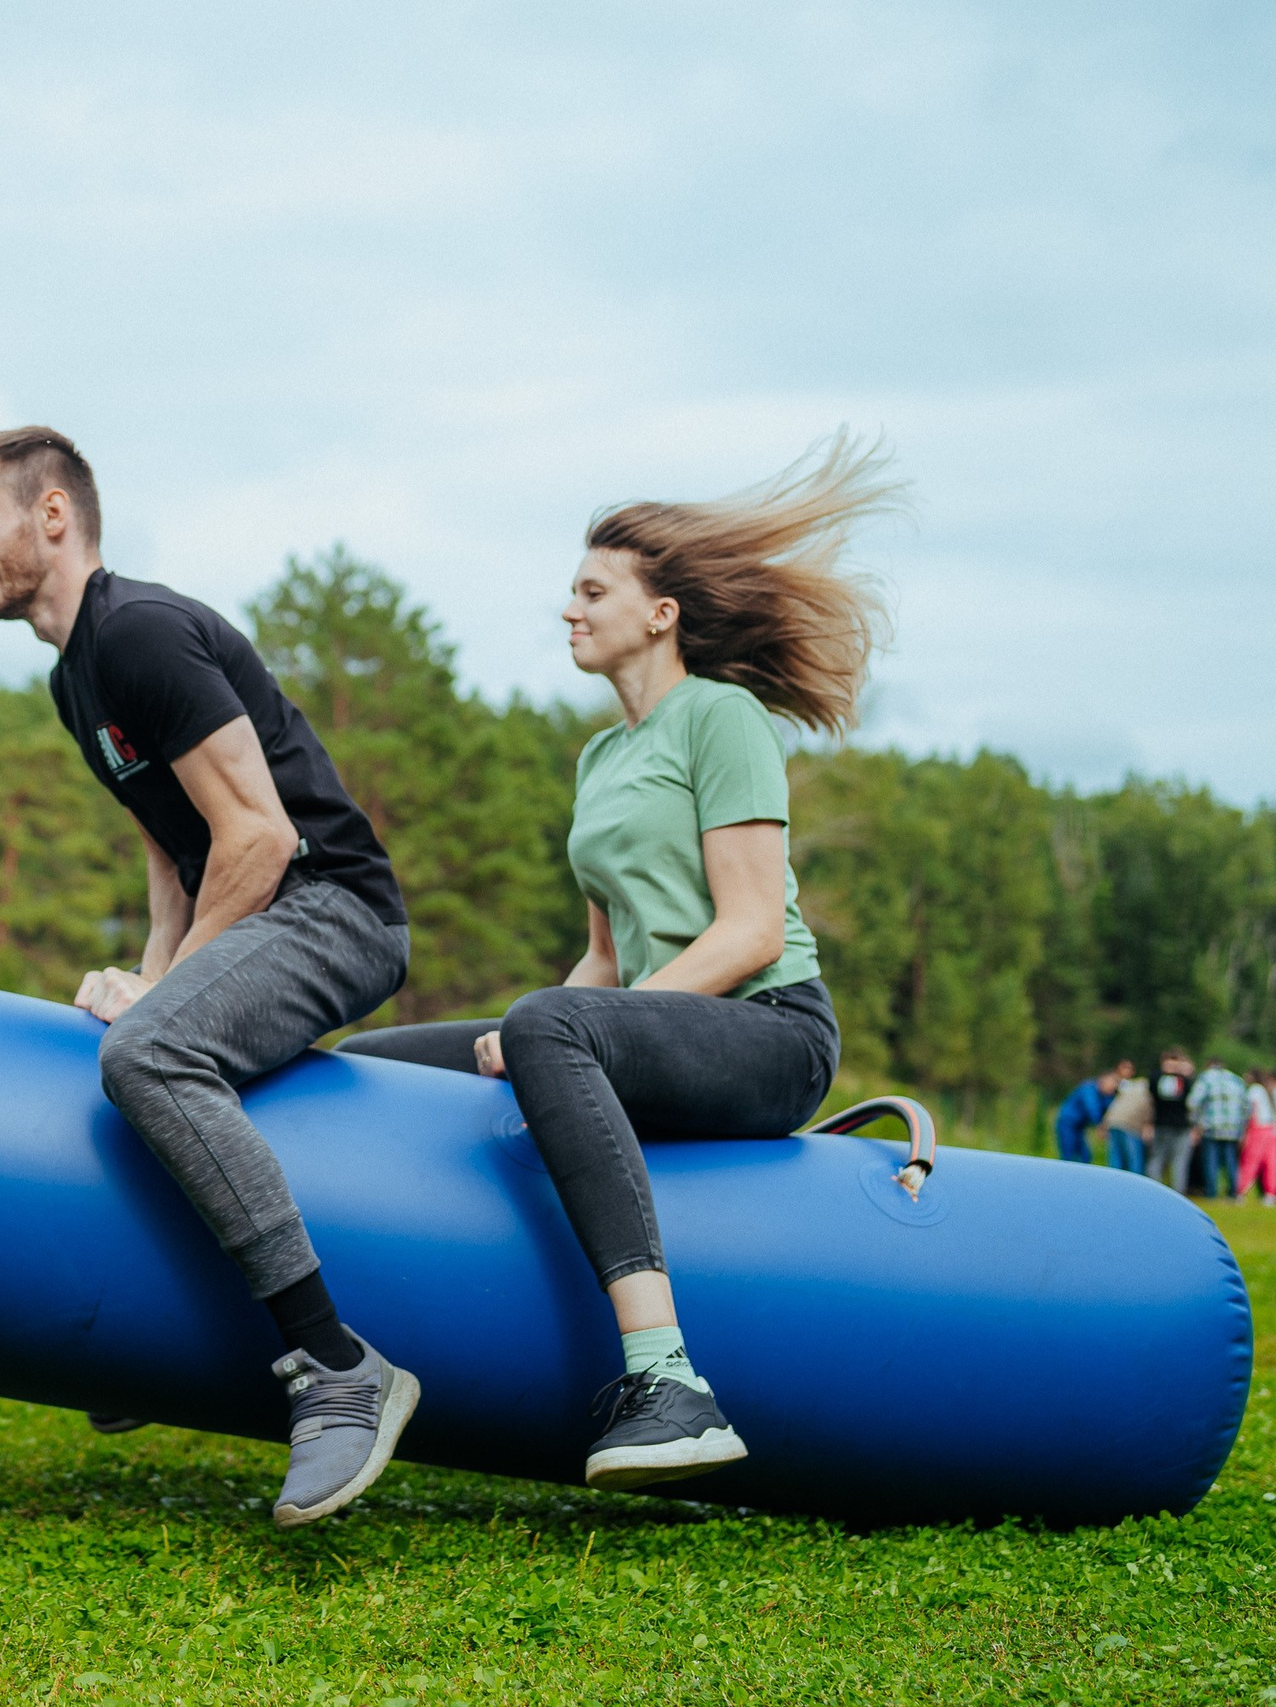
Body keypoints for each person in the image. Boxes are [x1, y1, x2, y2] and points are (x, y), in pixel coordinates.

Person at [340, 433, 894, 1490]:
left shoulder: (720, 718)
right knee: (372, 1064)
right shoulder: (601, 757)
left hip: (770, 1033)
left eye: (592, 592)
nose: (568, 610)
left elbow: (750, 932)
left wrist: (565, 1030)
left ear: (661, 613)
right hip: (646, 1027)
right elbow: (601, 959)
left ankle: (669, 1382)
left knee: (543, 1022)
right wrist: (538, 1032)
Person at [0, 423, 417, 1529]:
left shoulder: (141, 632)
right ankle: (166, 1341)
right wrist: (151, 972)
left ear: (51, 514)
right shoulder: (75, 676)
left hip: (333, 909)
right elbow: (174, 848)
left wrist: (163, 1005)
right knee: (125, 1049)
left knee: (148, 1052)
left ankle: (339, 1364)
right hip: (265, 908)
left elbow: (258, 838)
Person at [1190, 1056, 1248, 1201]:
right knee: (1231, 1161)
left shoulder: (1205, 1078)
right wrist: (1242, 1127)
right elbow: (1247, 1106)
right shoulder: (1236, 1079)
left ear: (1208, 1065)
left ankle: (1211, 1193)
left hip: (1211, 1126)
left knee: (1211, 1161)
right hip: (1233, 1128)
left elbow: (1193, 1102)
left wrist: (1196, 1122)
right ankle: (1233, 1193)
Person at [1052, 1064, 1121, 1166]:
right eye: (1112, 1083)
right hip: (1067, 1123)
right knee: (1068, 1155)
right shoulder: (1088, 1088)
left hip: (1080, 1127)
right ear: (1103, 1079)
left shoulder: (1106, 1096)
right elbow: (1092, 1108)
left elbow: (1110, 1110)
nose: (1113, 1087)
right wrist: (1100, 1126)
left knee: (1085, 1156)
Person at [1148, 1050, 1196, 1194]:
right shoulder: (1184, 1080)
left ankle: (1153, 1190)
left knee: (1158, 1159)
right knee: (1179, 1161)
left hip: (1162, 1124)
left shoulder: (1156, 1078)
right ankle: (1178, 1192)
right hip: (1178, 1125)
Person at [1101, 1066, 1153, 1176]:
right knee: (1134, 1160)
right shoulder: (1148, 1088)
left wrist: (1104, 1124)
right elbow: (1149, 1107)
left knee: (1116, 1160)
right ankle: (1135, 1184)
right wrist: (1148, 1124)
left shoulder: (1130, 1086)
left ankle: (1113, 1182)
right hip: (1131, 1125)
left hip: (1114, 1122)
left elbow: (1115, 1104)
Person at [1238, 1070, 1276, 1207]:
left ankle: (1240, 1192)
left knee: (1250, 1161)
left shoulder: (1255, 1089)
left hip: (1258, 1129)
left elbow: (1251, 1111)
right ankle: (1270, 1194)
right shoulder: (1266, 1091)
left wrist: (1246, 1132)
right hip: (1270, 1130)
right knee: (1271, 1163)